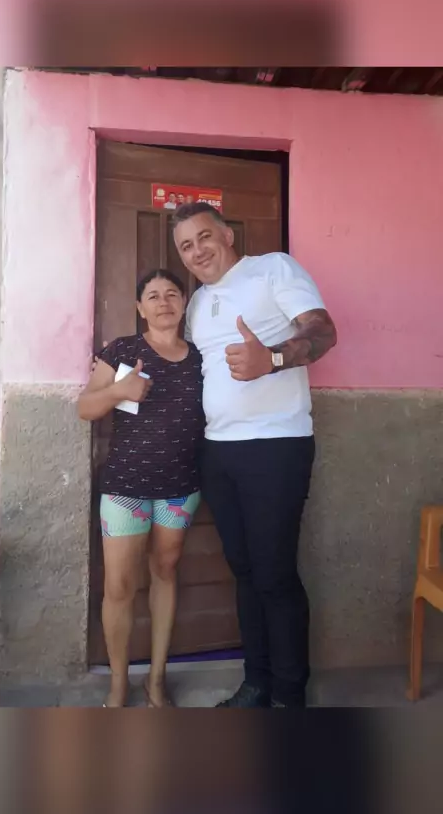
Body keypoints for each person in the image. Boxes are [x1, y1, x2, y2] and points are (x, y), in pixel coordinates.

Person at [172, 202, 337, 708]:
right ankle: (257, 683)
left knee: (274, 574)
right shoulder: (197, 304)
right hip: (219, 452)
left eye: (204, 237)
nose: (197, 251)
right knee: (244, 572)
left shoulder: (272, 270)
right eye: (185, 246)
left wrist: (274, 357)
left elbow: (324, 331)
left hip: (276, 446)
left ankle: (289, 695)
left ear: (227, 234)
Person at [78, 269, 205, 708]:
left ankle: (156, 679)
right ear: (140, 308)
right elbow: (85, 408)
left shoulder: (201, 357)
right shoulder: (122, 350)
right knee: (119, 586)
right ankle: (118, 683)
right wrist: (119, 390)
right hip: (125, 488)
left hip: (180, 487)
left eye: (172, 294)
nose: (163, 302)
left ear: (184, 302)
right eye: (153, 295)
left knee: (166, 572)